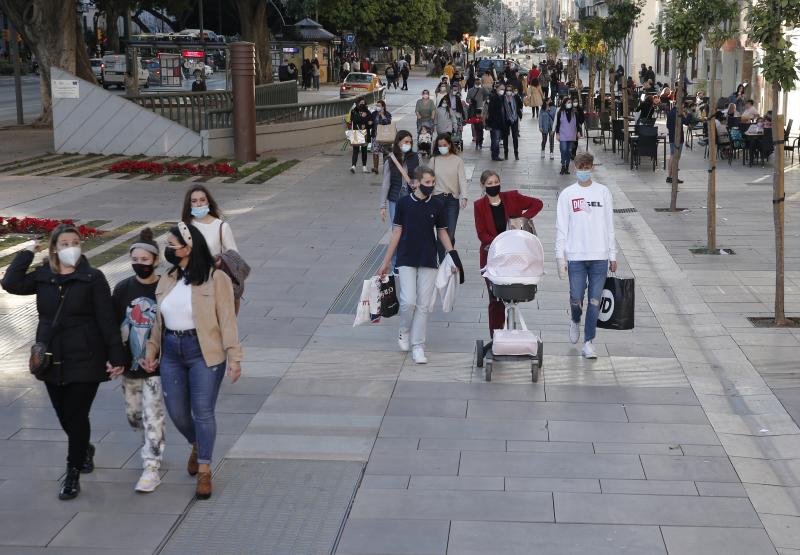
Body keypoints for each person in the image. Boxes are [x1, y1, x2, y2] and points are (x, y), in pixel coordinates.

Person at [1, 224, 126, 500]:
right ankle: (84, 448)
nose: (71, 247)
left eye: (76, 242)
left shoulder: (93, 277)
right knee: (63, 414)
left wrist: (117, 355)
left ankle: (72, 472)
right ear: (55, 247)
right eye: (65, 243)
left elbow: (107, 319)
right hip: (51, 357)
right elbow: (10, 283)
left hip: (86, 356)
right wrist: (25, 254)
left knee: (76, 414)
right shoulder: (43, 276)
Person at [141, 222, 242, 500]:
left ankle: (205, 470)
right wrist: (151, 352)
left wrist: (234, 356)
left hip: (204, 351)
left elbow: (227, 319)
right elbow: (158, 323)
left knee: (203, 411)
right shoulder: (167, 278)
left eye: (173, 245)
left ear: (189, 247)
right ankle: (197, 444)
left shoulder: (215, 278)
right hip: (171, 349)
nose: (169, 250)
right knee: (177, 412)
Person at [377, 166, 461, 364]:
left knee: (423, 305)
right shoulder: (404, 203)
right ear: (415, 183)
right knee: (408, 301)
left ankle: (418, 346)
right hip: (406, 257)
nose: (430, 186)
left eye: (433, 182)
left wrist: (453, 256)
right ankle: (404, 330)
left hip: (428, 258)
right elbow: (396, 232)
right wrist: (386, 262)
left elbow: (442, 232)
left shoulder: (438, 205)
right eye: (427, 182)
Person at [112, 228, 166, 493]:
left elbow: (170, 325)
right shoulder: (123, 288)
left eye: (146, 260)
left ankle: (151, 465)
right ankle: (150, 444)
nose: (140, 265)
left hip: (155, 365)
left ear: (156, 261)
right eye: (136, 260)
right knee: (135, 416)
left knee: (152, 413)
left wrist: (160, 357)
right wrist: (114, 359)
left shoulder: (165, 287)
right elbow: (111, 327)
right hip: (130, 365)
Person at [555, 152, 617, 360]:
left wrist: (613, 255)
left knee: (594, 301)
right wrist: (560, 257)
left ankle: (589, 342)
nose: (583, 170)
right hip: (576, 256)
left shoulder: (603, 193)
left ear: (592, 168)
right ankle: (575, 320)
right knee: (576, 298)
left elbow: (610, 226)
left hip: (599, 256)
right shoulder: (567, 194)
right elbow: (561, 228)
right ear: (574, 167)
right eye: (580, 167)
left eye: (587, 167)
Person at [473, 170, 543, 337]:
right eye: (489, 183)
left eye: (496, 181)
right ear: (483, 186)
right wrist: (499, 243)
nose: (493, 185)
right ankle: (495, 334)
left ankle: (510, 328)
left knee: (512, 295)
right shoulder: (479, 205)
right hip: (492, 256)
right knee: (494, 298)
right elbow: (481, 233)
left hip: (515, 256)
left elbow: (537, 203)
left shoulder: (512, 197)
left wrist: (522, 218)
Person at [380, 130, 421, 271]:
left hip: (411, 198)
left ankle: (407, 259)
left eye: (410, 142)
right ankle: (396, 262)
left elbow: (418, 177)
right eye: (405, 142)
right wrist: (382, 205)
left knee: (410, 230)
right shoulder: (390, 159)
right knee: (397, 230)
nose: (408, 144)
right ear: (398, 142)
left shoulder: (415, 157)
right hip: (395, 199)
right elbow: (386, 183)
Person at [430, 133, 468, 260]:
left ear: (450, 145)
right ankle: (442, 261)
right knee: (441, 232)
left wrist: (465, 196)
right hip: (437, 199)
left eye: (444, 145)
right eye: (440, 146)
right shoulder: (434, 160)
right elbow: (427, 179)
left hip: (452, 200)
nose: (442, 148)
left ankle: (449, 256)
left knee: (450, 233)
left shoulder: (457, 161)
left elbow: (462, 179)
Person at [182, 185, 238, 258]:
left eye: (202, 200)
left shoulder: (221, 226)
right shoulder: (184, 225)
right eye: (194, 201)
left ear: (208, 202)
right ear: (189, 204)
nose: (199, 204)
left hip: (214, 269)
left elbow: (235, 256)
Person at [555, 96, 580, 174]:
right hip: (563, 135)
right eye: (568, 102)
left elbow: (577, 124)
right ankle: (563, 165)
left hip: (571, 135)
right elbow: (558, 124)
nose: (570, 104)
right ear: (564, 103)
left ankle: (567, 167)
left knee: (569, 151)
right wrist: (557, 133)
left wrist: (578, 132)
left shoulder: (575, 112)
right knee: (563, 150)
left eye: (570, 102)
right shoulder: (560, 112)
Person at [666, 102, 689, 185]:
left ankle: (670, 176)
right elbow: (686, 122)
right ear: (682, 104)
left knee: (672, 155)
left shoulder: (670, 112)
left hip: (672, 136)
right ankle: (673, 177)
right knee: (676, 157)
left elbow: (667, 125)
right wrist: (686, 114)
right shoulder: (679, 113)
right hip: (679, 137)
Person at [349, 98, 373, 173]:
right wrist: (362, 116)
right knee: (355, 149)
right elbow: (354, 120)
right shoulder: (354, 111)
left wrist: (370, 123)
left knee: (364, 150)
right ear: (358, 103)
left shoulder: (368, 112)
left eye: (363, 103)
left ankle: (364, 166)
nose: (362, 104)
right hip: (357, 132)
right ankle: (353, 166)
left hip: (365, 133)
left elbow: (370, 121)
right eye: (361, 102)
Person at [485, 82, 506, 161]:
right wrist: (489, 123)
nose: (502, 91)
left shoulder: (502, 97)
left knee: (496, 139)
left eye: (503, 89)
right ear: (497, 89)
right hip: (495, 123)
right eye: (501, 89)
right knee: (496, 139)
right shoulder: (494, 97)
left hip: (500, 123)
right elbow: (490, 111)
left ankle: (495, 154)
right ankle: (495, 156)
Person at [466, 81, 490, 150]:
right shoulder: (470, 90)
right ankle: (474, 136)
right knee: (473, 124)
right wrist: (470, 101)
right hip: (473, 108)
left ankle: (480, 138)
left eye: (479, 83)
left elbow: (487, 94)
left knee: (480, 124)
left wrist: (483, 86)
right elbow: (467, 98)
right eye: (477, 83)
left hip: (480, 108)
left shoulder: (482, 89)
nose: (478, 84)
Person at [371, 99, 393, 174]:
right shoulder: (374, 113)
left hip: (384, 136)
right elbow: (371, 122)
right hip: (375, 135)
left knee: (385, 152)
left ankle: (386, 168)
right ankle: (375, 168)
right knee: (375, 151)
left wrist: (382, 115)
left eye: (379, 106)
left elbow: (388, 122)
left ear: (383, 107)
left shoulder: (387, 114)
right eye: (377, 106)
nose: (378, 107)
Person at [502, 85, 522, 160]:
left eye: (510, 90)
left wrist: (515, 110)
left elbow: (520, 105)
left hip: (514, 119)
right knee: (505, 137)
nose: (508, 91)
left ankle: (516, 153)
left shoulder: (515, 97)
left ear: (512, 90)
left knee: (515, 137)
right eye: (507, 90)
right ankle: (506, 153)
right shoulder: (503, 98)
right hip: (506, 119)